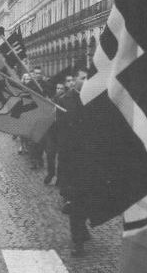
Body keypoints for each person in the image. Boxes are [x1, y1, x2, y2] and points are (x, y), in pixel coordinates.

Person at [56, 68, 90, 256]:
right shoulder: (64, 100)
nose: (86, 81)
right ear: (74, 80)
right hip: (74, 159)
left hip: (92, 158)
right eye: (82, 78)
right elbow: (60, 133)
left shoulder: (95, 97)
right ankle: (78, 241)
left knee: (89, 198)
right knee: (76, 201)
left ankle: (83, 227)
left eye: (88, 78)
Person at [44, 81, 66, 185]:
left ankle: (60, 177)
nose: (59, 90)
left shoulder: (67, 101)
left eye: (61, 88)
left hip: (61, 132)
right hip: (52, 132)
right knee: (50, 154)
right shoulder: (53, 100)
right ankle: (51, 173)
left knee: (61, 156)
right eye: (57, 88)